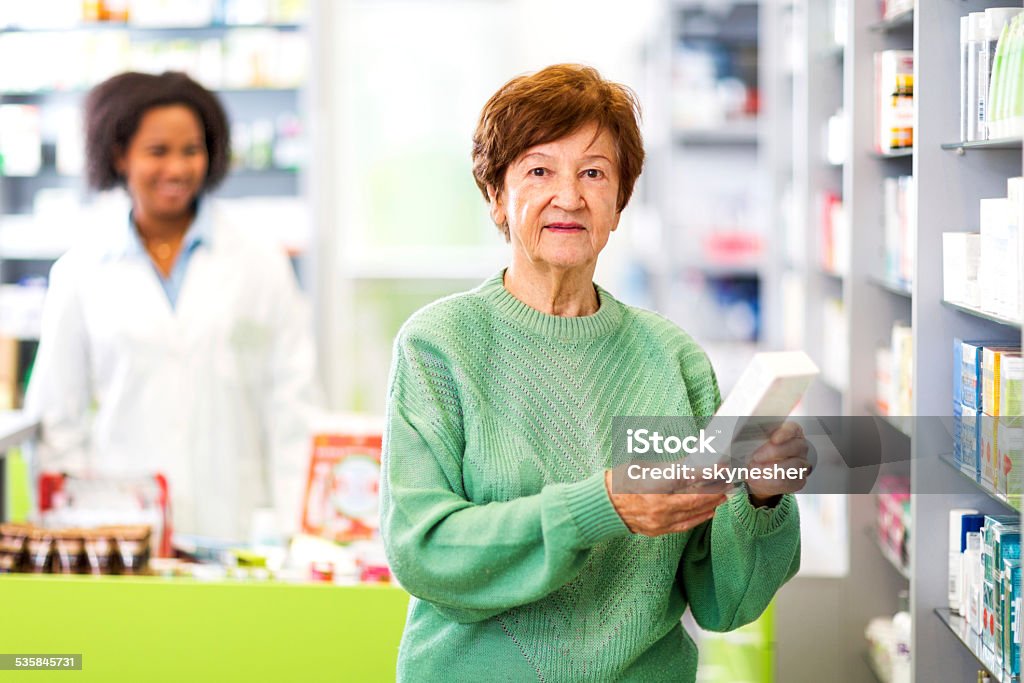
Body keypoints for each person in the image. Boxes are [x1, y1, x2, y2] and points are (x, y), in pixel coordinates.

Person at [380, 64, 809, 681]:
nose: (569, 196)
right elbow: (425, 551)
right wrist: (600, 506)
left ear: (619, 201)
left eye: (593, 172)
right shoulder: (439, 345)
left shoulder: (674, 359)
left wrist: (763, 498)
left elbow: (723, 602)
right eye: (538, 171)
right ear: (496, 197)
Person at [25, 72, 320, 542]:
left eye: (192, 150)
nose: (178, 169)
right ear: (120, 155)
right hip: (119, 529)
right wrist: (77, 527)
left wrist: (295, 527)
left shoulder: (259, 261)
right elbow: (59, 420)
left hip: (238, 526)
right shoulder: (79, 271)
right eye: (158, 151)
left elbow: (292, 403)